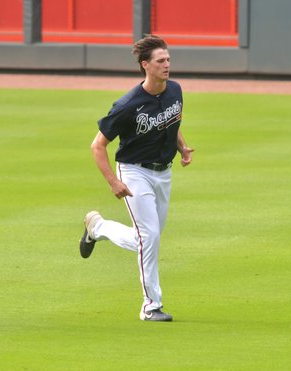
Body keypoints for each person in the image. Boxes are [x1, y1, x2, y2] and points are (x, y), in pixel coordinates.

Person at [79, 35, 194, 321]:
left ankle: (99, 228)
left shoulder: (175, 90)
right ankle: (150, 306)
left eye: (168, 59)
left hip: (163, 173)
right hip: (134, 171)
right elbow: (98, 146)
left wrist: (182, 147)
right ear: (146, 65)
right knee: (150, 237)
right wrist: (113, 181)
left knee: (147, 239)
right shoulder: (127, 105)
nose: (167, 64)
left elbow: (172, 121)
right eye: (160, 61)